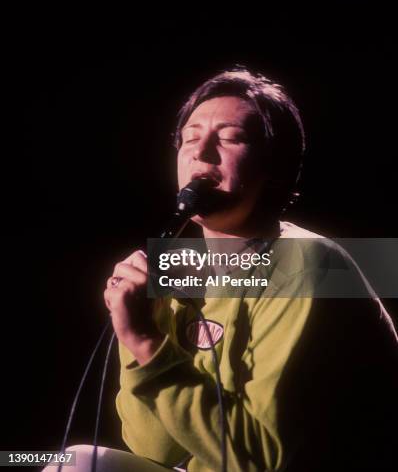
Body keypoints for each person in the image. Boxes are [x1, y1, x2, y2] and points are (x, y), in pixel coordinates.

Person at [46, 68, 398, 471]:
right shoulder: (183, 273)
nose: (201, 151)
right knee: (73, 461)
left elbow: (259, 463)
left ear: (275, 169)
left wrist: (146, 343)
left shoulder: (307, 261)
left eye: (230, 138)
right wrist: (145, 332)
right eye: (190, 138)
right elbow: (158, 450)